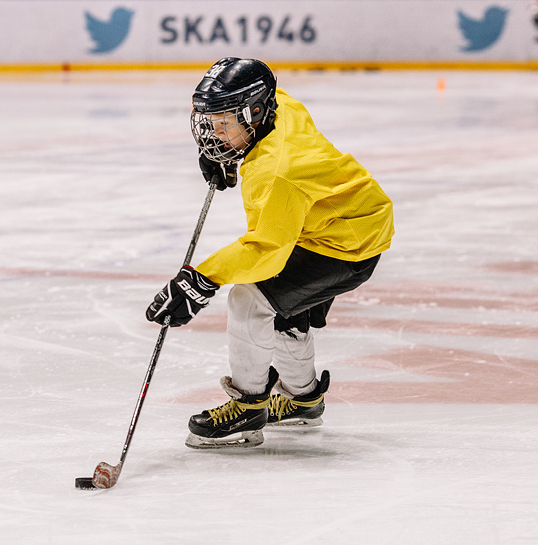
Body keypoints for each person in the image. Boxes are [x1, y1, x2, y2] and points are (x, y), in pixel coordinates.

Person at [145, 58, 394, 449]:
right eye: (211, 122)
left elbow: (266, 250)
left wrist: (200, 279)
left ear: (254, 112)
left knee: (249, 300)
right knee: (285, 311)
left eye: (223, 123)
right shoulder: (279, 106)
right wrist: (227, 151)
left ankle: (248, 408)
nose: (213, 132)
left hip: (345, 244)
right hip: (336, 221)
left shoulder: (276, 171)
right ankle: (303, 399)